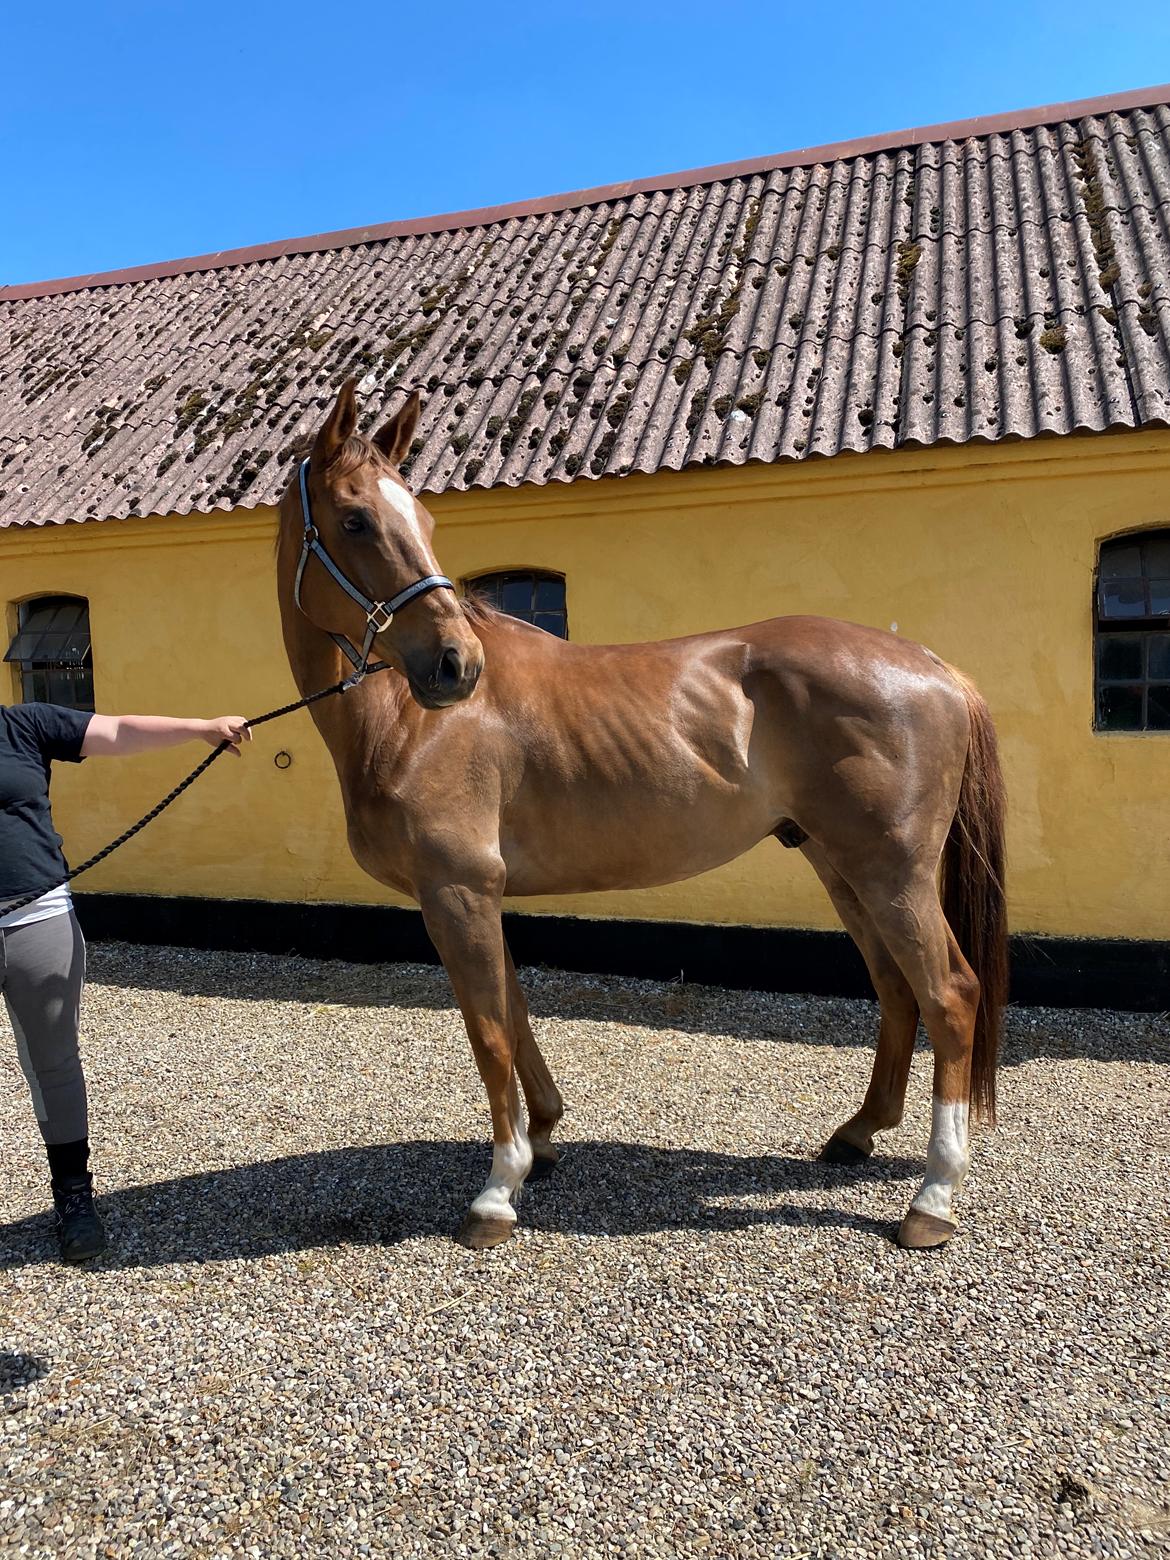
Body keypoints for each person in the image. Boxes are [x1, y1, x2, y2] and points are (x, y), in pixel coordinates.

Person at [1, 703, 250, 1262]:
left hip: (36, 919)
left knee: (54, 1063)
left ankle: (73, 1198)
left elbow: (114, 730)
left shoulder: (21, 725)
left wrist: (200, 727)